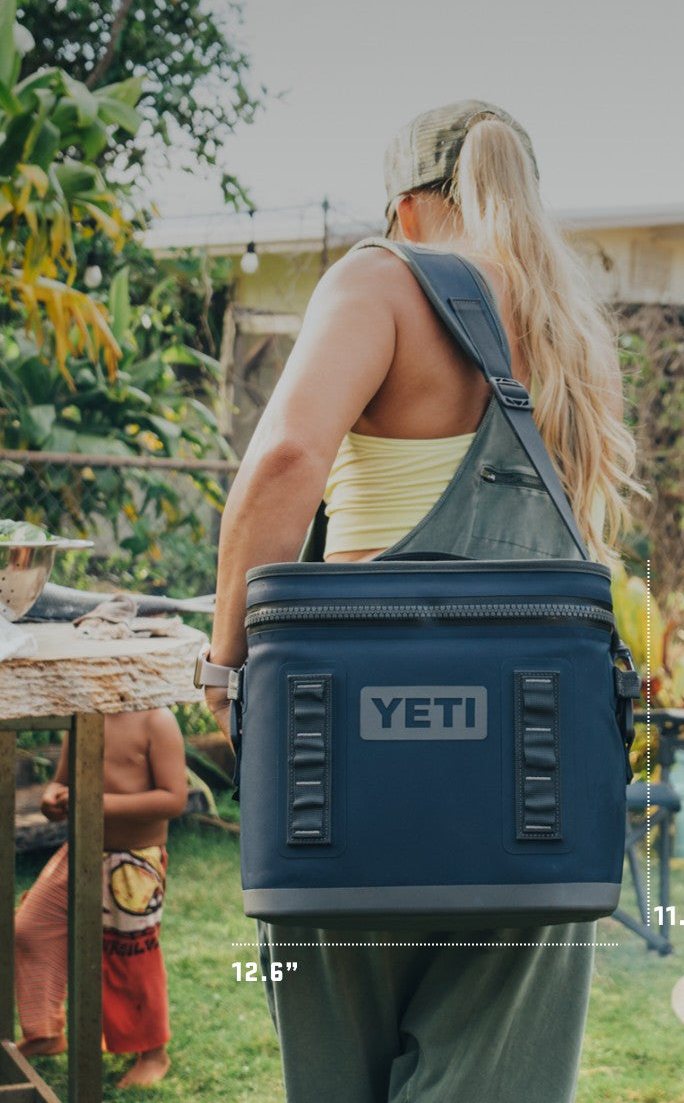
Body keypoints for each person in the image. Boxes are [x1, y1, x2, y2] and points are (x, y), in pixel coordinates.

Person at [205, 100, 639, 1103]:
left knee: (335, 1073)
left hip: (348, 754)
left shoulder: (381, 278)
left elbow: (282, 462)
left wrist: (226, 668)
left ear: (406, 206)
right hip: (534, 776)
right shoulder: (573, 335)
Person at [14, 708, 187, 1089]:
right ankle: (45, 1030)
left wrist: (95, 801)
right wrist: (53, 800)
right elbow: (59, 783)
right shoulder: (85, 717)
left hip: (134, 860)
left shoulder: (156, 720)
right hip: (79, 849)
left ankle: (153, 1052)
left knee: (131, 955)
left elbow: (174, 799)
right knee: (29, 928)